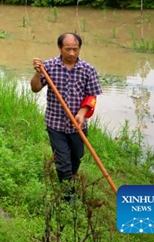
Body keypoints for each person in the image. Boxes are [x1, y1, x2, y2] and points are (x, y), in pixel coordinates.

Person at [31, 33, 102, 201]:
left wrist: (82, 113)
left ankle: (70, 180)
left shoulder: (88, 69)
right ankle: (67, 196)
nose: (71, 53)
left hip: (78, 125)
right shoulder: (48, 66)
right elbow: (35, 88)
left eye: (75, 49)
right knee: (63, 161)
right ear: (60, 48)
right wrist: (37, 73)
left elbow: (92, 96)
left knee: (76, 156)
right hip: (55, 123)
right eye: (68, 49)